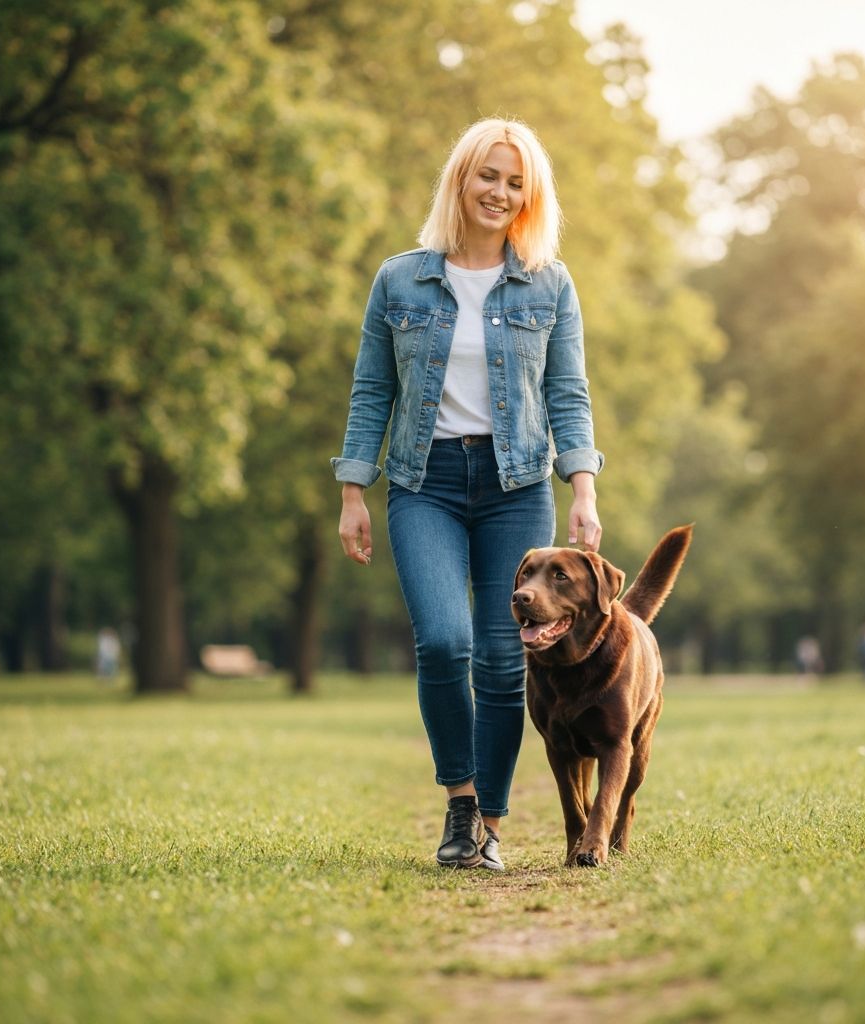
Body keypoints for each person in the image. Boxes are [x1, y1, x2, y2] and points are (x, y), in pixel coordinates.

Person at [332, 118, 603, 870]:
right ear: (461, 177)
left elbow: (568, 392)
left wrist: (582, 488)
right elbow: (372, 389)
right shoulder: (400, 278)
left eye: (517, 182)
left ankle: (487, 821)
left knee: (502, 656)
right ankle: (459, 800)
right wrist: (354, 490)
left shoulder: (549, 281)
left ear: (530, 196)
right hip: (427, 483)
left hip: (518, 487)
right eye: (490, 175)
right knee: (444, 642)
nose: (500, 191)